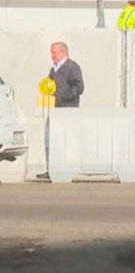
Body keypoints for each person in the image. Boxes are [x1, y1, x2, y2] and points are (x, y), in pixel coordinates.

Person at [38, 41, 84, 180]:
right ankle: (51, 169)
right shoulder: (54, 69)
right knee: (50, 139)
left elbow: (79, 88)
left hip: (67, 111)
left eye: (54, 52)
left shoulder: (72, 67)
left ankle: (65, 169)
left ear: (64, 52)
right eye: (51, 52)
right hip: (54, 110)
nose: (52, 55)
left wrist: (62, 97)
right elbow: (50, 86)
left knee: (65, 141)